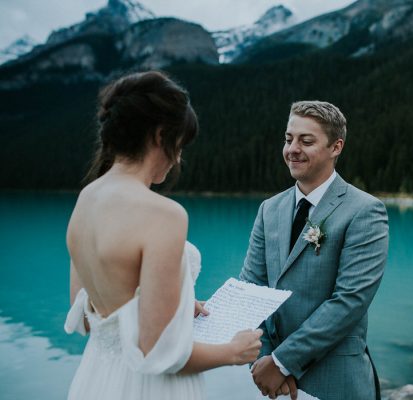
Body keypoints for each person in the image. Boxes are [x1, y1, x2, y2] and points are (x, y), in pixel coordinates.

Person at [64, 71, 262, 400]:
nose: (178, 158)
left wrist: (178, 305)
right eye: (180, 144)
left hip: (97, 380)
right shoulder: (164, 214)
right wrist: (232, 351)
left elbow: (87, 318)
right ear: (160, 136)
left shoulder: (86, 200)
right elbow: (159, 354)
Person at [240, 100, 389, 400]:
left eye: (306, 141)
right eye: (288, 139)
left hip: (334, 381)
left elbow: (349, 302)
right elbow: (249, 289)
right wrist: (264, 359)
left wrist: (283, 362)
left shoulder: (365, 211)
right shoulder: (269, 209)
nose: (293, 148)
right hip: (269, 382)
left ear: (336, 147)